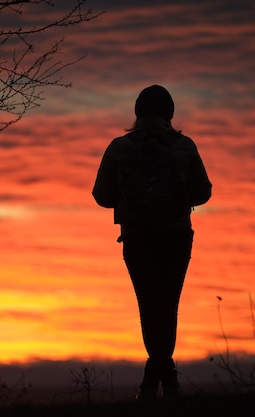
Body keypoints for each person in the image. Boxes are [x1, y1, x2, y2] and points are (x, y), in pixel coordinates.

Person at [92, 85, 212, 400]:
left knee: (149, 305)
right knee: (167, 305)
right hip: (176, 237)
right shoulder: (184, 146)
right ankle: (164, 376)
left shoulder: (120, 147)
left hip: (137, 237)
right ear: (169, 114)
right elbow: (202, 194)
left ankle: (154, 379)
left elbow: (101, 196)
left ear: (138, 113)